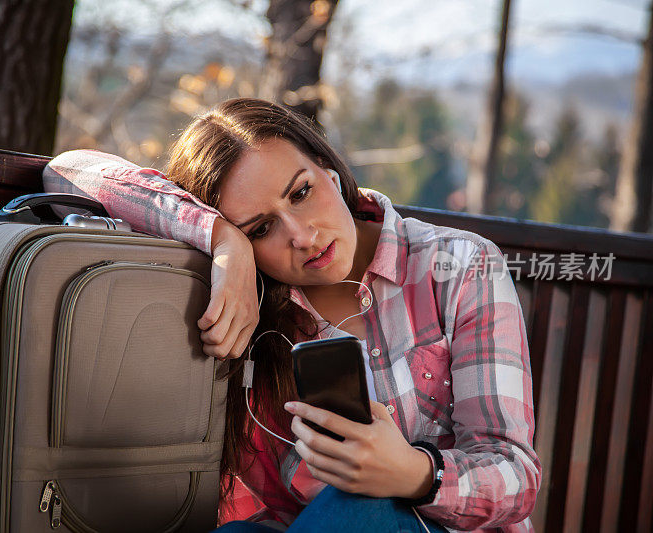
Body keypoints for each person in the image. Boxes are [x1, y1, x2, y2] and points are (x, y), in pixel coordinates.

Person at [43, 98, 541, 532]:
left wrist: (412, 473)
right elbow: (68, 169)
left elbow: (514, 476)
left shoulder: (456, 266)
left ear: (328, 167)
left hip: (433, 525)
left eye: (301, 192)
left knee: (359, 507)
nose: (301, 236)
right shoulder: (257, 306)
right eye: (261, 229)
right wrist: (221, 239)